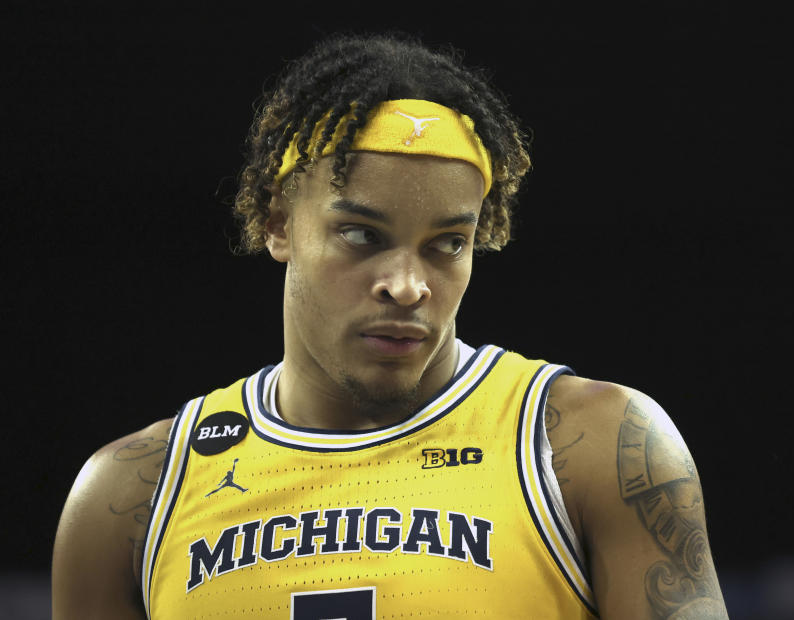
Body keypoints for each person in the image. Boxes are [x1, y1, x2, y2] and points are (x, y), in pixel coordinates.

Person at [52, 33, 729, 619]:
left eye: (447, 244)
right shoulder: (130, 497)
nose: (407, 285)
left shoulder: (590, 448)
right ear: (278, 223)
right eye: (361, 234)